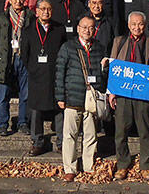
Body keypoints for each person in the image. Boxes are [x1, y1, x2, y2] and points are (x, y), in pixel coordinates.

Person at [108, 11, 149, 180]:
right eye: (133, 24)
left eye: (140, 24)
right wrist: (111, 93)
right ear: (128, 25)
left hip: (143, 93)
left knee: (145, 130)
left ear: (144, 26)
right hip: (123, 92)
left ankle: (145, 165)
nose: (137, 27)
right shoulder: (119, 41)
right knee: (121, 131)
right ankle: (123, 164)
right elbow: (113, 66)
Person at [55, 16, 108, 181]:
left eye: (91, 28)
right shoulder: (68, 47)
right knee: (70, 135)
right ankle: (70, 168)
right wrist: (60, 96)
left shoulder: (99, 48)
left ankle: (88, 166)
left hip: (91, 96)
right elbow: (59, 73)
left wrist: (104, 70)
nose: (87, 31)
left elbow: (102, 74)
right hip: (73, 95)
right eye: (84, 27)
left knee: (91, 135)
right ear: (78, 29)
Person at [21, 0, 67, 155]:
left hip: (55, 75)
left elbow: (64, 51)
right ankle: (37, 141)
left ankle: (61, 142)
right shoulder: (28, 30)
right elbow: (24, 54)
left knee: (59, 108)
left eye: (49, 9)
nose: (46, 12)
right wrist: (33, 69)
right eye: (43, 9)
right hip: (36, 76)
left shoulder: (59, 29)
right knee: (36, 110)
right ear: (37, 11)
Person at [0, 0, 30, 136]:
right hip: (6, 60)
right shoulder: (2, 19)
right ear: (10, 1)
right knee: (3, 94)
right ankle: (3, 124)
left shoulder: (30, 17)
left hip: (23, 59)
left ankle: (23, 122)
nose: (18, 1)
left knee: (25, 94)